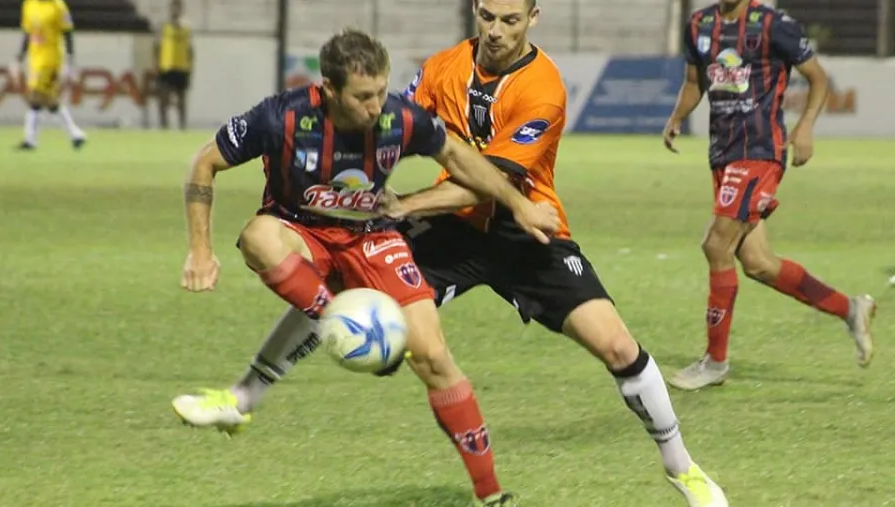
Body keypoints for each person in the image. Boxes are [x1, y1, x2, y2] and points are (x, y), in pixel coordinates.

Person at [224, 2, 730, 506]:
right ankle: (245, 395)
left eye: (510, 20)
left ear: (533, 18)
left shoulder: (543, 87)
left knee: (618, 347)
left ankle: (681, 468)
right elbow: (387, 122)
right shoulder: (442, 68)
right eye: (487, 16)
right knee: (339, 288)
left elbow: (491, 180)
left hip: (524, 231)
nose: (495, 30)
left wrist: (405, 204)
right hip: (452, 230)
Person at [170, 28, 560, 507]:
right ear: (329, 90)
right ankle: (338, 320)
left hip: (370, 236)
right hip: (302, 232)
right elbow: (204, 163)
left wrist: (520, 206)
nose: (376, 107)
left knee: (434, 357)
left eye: (380, 91)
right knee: (258, 237)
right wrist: (200, 251)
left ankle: (491, 494)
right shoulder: (283, 117)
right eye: (362, 97)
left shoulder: (399, 117)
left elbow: (459, 156)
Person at [662, 0, 876, 391]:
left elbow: (818, 77)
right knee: (759, 263)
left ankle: (715, 362)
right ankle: (850, 309)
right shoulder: (699, 24)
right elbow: (695, 82)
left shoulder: (772, 24)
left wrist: (805, 126)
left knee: (716, 245)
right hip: (723, 155)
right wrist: (677, 116)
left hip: (760, 151)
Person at [12, 0, 85, 150]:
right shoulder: (29, 4)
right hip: (35, 59)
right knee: (49, 101)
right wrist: (21, 56)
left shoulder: (57, 6)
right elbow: (28, 32)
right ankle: (75, 134)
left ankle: (30, 140)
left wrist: (70, 58)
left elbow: (67, 32)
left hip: (51, 59)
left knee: (35, 96)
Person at [154, 0, 193, 130]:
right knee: (163, 99)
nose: (175, 10)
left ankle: (182, 126)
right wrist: (156, 64)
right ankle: (164, 126)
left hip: (182, 67)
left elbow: (190, 49)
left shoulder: (186, 27)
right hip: (166, 67)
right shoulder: (164, 26)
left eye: (177, 8)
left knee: (181, 100)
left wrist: (190, 67)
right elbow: (157, 47)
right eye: (173, 8)